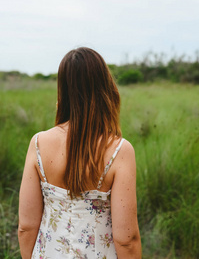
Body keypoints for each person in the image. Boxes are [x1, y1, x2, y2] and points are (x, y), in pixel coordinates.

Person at [18, 47, 141, 259]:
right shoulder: (119, 150)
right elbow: (126, 240)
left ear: (62, 90)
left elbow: (26, 227)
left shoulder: (38, 143)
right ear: (105, 88)